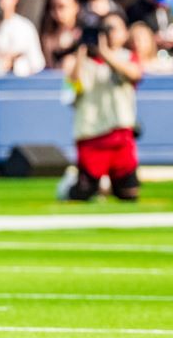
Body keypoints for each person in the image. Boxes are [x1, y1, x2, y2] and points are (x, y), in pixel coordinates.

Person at [58, 13, 142, 201]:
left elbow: (134, 74)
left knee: (128, 194)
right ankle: (74, 184)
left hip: (120, 134)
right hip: (92, 134)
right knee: (83, 193)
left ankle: (108, 186)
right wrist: (81, 52)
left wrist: (105, 53)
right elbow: (70, 90)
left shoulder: (127, 57)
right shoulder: (78, 62)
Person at [41, 0, 82, 69]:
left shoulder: (85, 33)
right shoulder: (48, 39)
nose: (57, 11)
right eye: (53, 7)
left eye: (62, 6)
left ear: (76, 7)